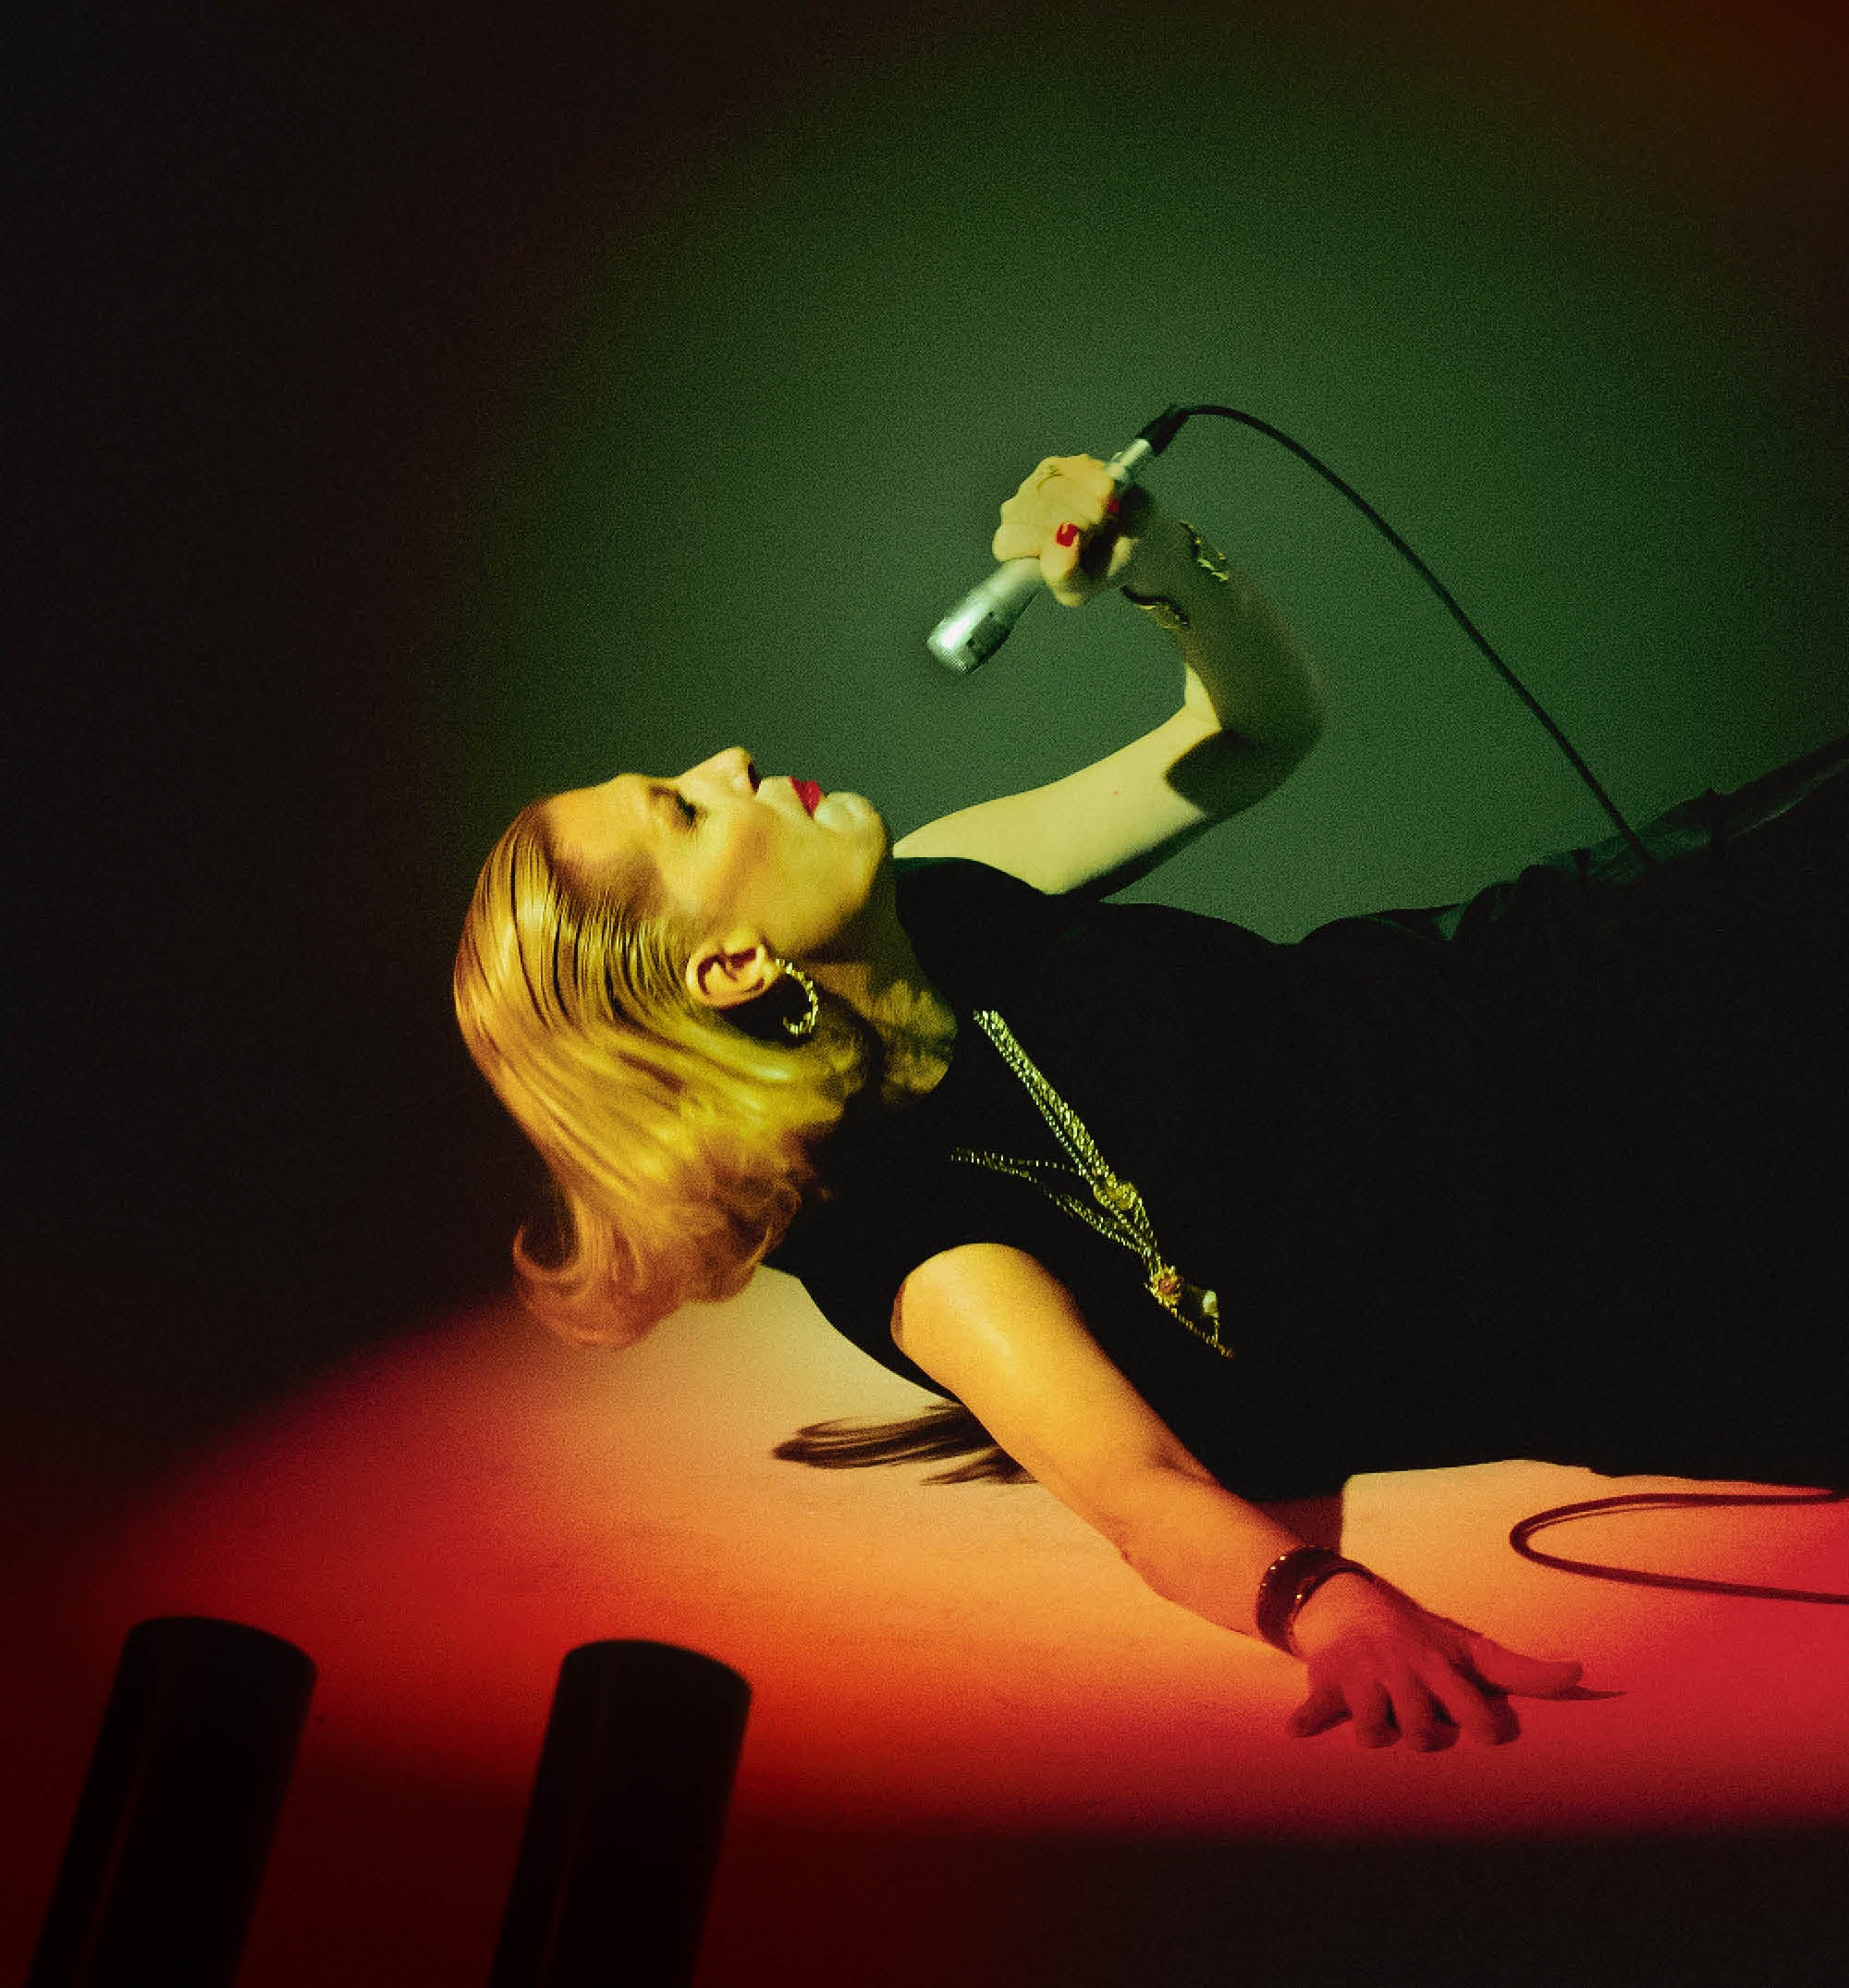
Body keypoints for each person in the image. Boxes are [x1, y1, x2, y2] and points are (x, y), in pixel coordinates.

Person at [453, 455, 1847, 1753]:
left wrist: (1164, 563)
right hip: (1615, 1245)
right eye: (685, 814)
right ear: (730, 965)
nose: (728, 764)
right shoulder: (906, 1230)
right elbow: (1136, 1490)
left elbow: (1254, 734)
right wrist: (1324, 1602)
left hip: (1558, 988)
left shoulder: (944, 887)